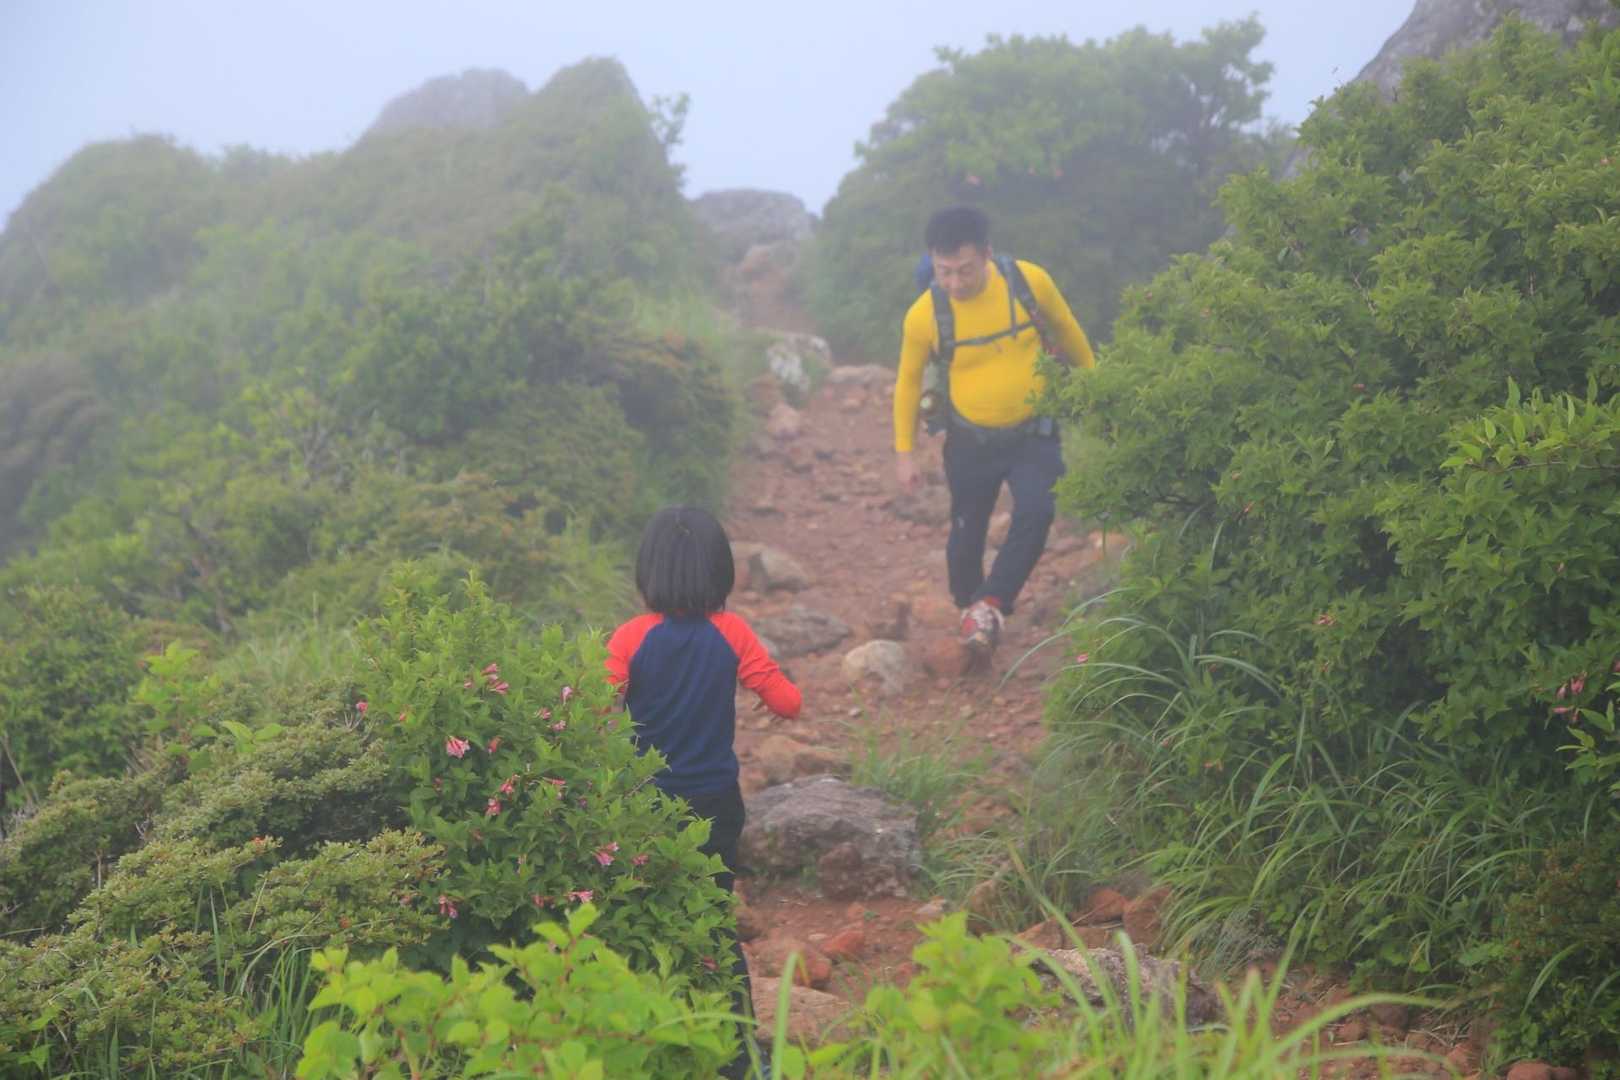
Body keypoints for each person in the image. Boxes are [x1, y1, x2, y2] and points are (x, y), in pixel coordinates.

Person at [604, 505, 800, 1079]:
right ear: (720, 570)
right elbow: (789, 703)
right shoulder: (732, 633)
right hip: (714, 803)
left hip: (643, 803)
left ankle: (651, 1047)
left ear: (648, 571)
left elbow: (588, 706)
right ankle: (741, 1059)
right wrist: (766, 691)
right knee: (713, 923)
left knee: (643, 919)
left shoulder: (630, 637)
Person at [893, 206, 1096, 660]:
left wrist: (1100, 389)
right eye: (944, 271)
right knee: (967, 535)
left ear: (986, 253)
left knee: (1038, 510)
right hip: (969, 440)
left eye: (964, 270)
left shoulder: (1028, 282)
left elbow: (1069, 332)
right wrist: (904, 453)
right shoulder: (925, 315)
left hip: (1033, 432)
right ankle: (970, 607)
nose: (955, 282)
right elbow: (908, 383)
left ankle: (991, 603)